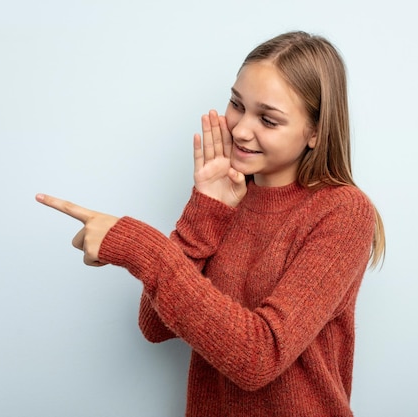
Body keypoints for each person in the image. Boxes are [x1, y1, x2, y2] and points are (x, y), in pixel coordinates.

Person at [36, 31, 386, 417]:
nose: (239, 129)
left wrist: (137, 246)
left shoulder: (342, 211)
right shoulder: (229, 196)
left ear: (316, 132)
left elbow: (259, 357)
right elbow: (154, 326)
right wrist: (206, 210)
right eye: (237, 104)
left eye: (268, 119)